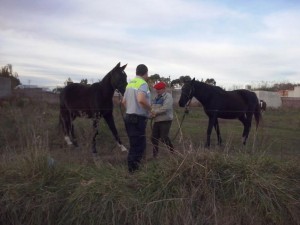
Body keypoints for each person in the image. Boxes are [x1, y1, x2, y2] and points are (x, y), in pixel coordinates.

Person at [122, 64, 153, 173]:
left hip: (128, 117)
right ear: (145, 73)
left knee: (133, 144)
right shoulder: (143, 83)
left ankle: (132, 168)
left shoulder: (130, 84)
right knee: (139, 145)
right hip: (137, 120)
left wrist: (131, 110)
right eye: (147, 74)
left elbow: (124, 102)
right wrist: (150, 110)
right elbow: (141, 100)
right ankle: (134, 171)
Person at [151, 81, 174, 158]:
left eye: (159, 89)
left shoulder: (168, 96)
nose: (157, 90)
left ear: (164, 89)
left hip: (166, 120)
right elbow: (152, 108)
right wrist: (150, 114)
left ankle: (172, 150)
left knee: (163, 138)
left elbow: (165, 108)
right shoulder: (156, 97)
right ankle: (155, 155)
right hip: (157, 120)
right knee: (153, 138)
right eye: (156, 89)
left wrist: (154, 112)